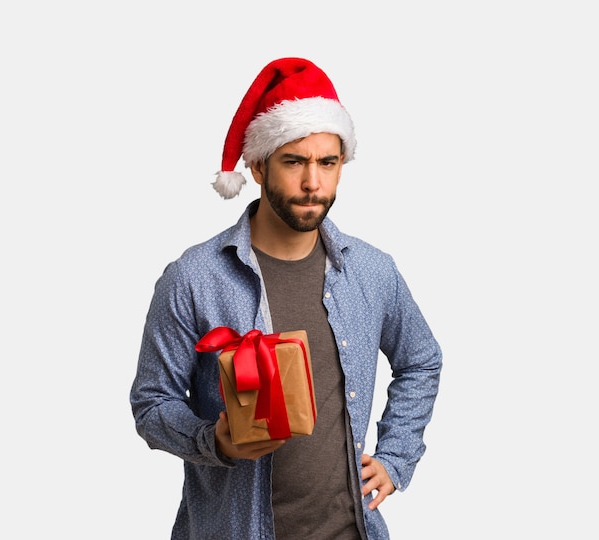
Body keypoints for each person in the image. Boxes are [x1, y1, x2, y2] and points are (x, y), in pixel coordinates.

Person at [130, 57, 442, 540]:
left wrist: (396, 457)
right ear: (257, 166)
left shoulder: (372, 271)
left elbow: (421, 360)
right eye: (294, 161)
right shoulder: (193, 277)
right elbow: (152, 404)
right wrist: (212, 440)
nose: (312, 183)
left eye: (327, 162)